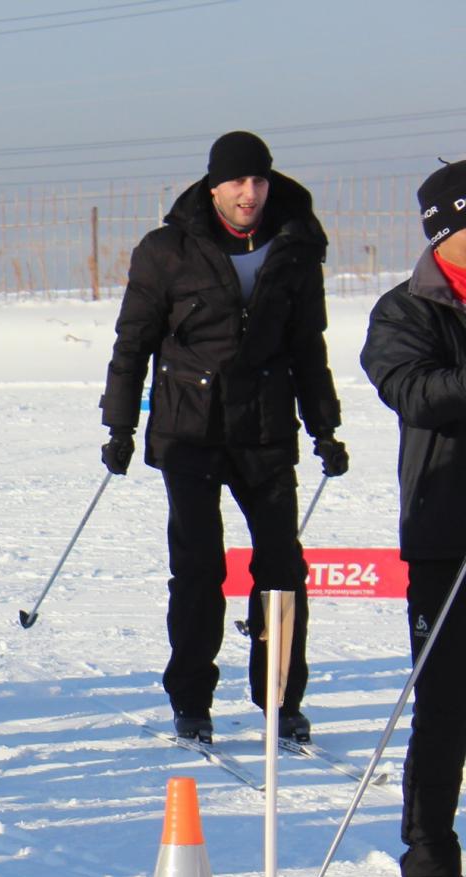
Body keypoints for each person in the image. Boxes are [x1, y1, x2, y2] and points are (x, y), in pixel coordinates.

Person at [101, 131, 348, 744]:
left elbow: (307, 347)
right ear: (214, 186)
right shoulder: (167, 250)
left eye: (259, 180)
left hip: (264, 428)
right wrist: (120, 424)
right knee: (198, 567)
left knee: (282, 567)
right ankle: (191, 698)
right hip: (189, 430)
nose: (250, 193)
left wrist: (325, 427)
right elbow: (133, 342)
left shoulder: (295, 243)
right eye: (237, 182)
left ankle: (281, 698)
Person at [360, 160, 466, 877]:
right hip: (446, 539)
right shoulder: (405, 310)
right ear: (444, 232)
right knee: (444, 718)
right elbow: (416, 391)